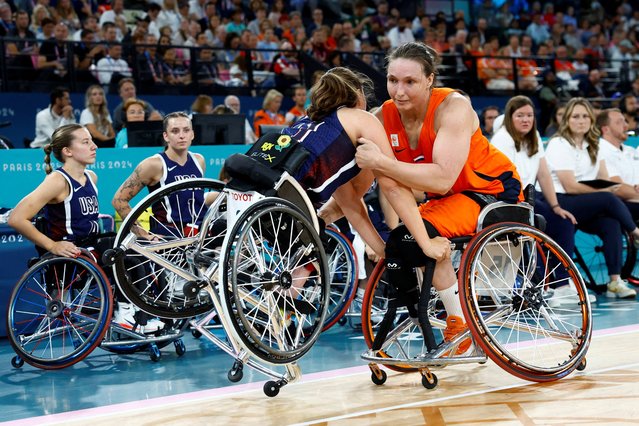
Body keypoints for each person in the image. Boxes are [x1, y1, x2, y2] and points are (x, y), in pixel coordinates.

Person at [354, 42, 524, 354]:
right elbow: (366, 181)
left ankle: (456, 324)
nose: (399, 91)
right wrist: (323, 213)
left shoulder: (453, 107)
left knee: (415, 234)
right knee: (410, 237)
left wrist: (381, 162)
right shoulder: (383, 116)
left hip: (490, 190)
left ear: (430, 79)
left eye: (410, 82)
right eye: (393, 81)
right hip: (446, 199)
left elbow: (444, 178)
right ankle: (454, 323)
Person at [8, 123, 164, 333]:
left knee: (137, 251)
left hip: (91, 247)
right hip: (71, 256)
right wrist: (53, 246)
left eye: (92, 140)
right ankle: (126, 317)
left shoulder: (92, 177)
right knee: (122, 257)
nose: (94, 146)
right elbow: (16, 218)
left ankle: (139, 313)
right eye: (86, 142)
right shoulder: (57, 180)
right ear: (68, 151)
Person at [490, 96, 586, 306]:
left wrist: (556, 206)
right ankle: (542, 284)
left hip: (530, 198)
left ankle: (561, 284)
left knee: (563, 221)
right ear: (510, 117)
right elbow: (504, 180)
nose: (526, 120)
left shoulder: (533, 136)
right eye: (520, 116)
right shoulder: (502, 140)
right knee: (536, 225)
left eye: (530, 115)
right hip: (508, 200)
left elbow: (543, 173)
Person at [545, 98, 638, 299]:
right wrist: (604, 193)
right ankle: (636, 232)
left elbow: (605, 180)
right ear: (567, 120)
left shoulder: (593, 145)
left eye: (585, 116)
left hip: (585, 202)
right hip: (560, 200)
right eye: (576, 116)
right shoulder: (558, 143)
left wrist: (625, 188)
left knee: (610, 221)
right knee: (607, 198)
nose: (581, 121)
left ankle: (615, 281)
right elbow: (569, 185)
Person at [112, 112, 206, 225]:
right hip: (170, 236)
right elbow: (119, 200)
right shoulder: (153, 164)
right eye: (175, 131)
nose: (182, 135)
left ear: (192, 134)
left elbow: (194, 198)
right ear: (166, 136)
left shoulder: (199, 160)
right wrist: (141, 233)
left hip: (200, 232)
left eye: (186, 130)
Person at [597, 108, 639, 215]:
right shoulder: (600, 151)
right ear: (605, 129)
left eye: (625, 121)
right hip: (620, 206)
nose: (626, 125)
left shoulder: (631, 150)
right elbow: (617, 188)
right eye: (619, 122)